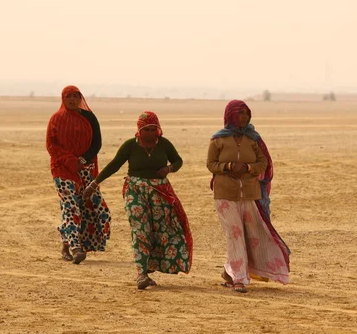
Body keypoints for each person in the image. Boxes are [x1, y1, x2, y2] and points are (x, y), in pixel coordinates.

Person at [83, 111, 193, 289]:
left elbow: (178, 161)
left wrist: (169, 168)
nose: (151, 133)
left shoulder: (164, 144)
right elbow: (114, 165)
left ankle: (150, 267)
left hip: (159, 191)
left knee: (162, 230)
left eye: (153, 129)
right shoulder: (130, 146)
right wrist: (94, 184)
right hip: (135, 190)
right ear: (139, 130)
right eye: (147, 130)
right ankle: (141, 273)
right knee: (140, 229)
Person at [207, 100, 290, 293]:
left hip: (250, 194)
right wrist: (227, 167)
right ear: (230, 115)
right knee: (234, 235)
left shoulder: (254, 139)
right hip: (225, 195)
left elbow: (264, 163)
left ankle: (230, 273)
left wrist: (248, 169)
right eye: (240, 113)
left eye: (246, 113)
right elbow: (211, 164)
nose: (244, 117)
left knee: (251, 235)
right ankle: (239, 279)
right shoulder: (218, 140)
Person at [46, 85, 111, 264]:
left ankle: (66, 243)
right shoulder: (56, 119)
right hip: (62, 169)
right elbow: (52, 146)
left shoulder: (89, 117)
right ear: (63, 99)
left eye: (76, 96)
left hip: (86, 169)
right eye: (69, 97)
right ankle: (75, 248)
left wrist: (82, 160)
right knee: (71, 207)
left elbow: (97, 143)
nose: (73, 100)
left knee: (96, 208)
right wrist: (69, 160)